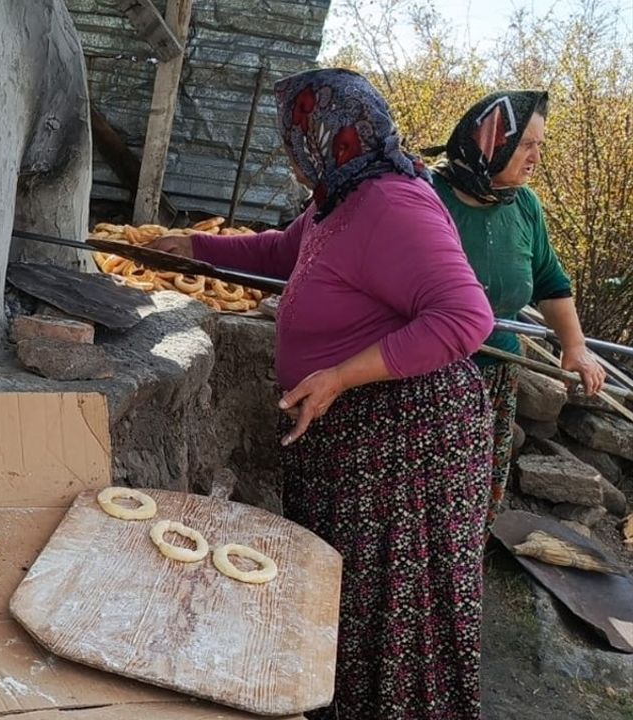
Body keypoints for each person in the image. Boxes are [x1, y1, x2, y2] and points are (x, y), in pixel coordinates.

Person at [150, 68, 495, 719]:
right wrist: (192, 246)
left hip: (405, 443)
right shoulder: (339, 199)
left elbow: (465, 317)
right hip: (357, 437)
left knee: (387, 604)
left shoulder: (393, 203)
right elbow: (284, 253)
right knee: (344, 597)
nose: (290, 152)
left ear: (331, 136)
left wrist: (339, 375)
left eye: (295, 137)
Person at [427, 90, 606, 533]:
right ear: (491, 141)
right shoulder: (426, 194)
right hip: (422, 371)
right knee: (425, 490)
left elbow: (550, 282)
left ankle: (463, 559)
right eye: (526, 145)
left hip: (495, 375)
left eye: (540, 146)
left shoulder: (525, 206)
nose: (535, 158)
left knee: (471, 494)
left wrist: (574, 346)